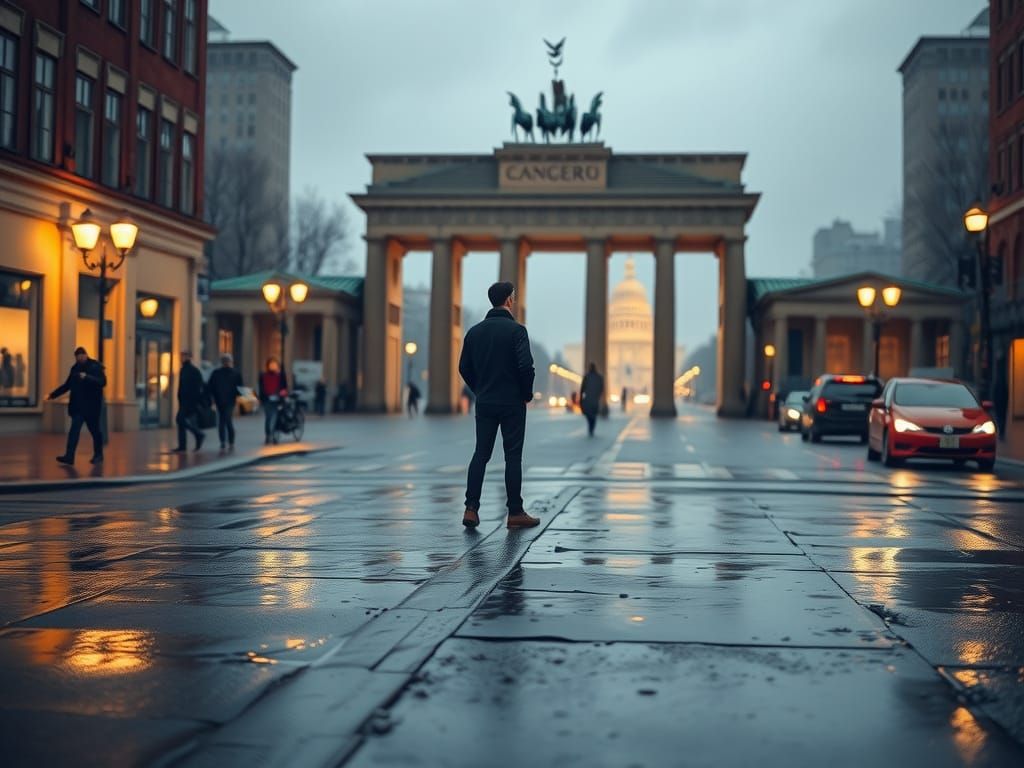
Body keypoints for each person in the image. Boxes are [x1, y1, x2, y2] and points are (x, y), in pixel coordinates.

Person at [458, 281, 539, 529]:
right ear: (509, 300)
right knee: (512, 457)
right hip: (512, 402)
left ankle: (471, 508)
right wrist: (526, 394)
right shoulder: (517, 331)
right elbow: (526, 367)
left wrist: (480, 390)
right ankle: (515, 511)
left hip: (485, 402)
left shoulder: (474, 332)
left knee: (480, 454)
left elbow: (464, 368)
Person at [47, 346, 106, 465]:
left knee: (95, 431)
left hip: (92, 407)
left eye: (81, 357)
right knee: (74, 430)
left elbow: (102, 382)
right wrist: (52, 395)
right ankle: (69, 456)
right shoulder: (75, 369)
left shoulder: (95, 366)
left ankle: (98, 455)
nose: (79, 359)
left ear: (85, 355)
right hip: (78, 407)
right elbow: (67, 385)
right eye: (77, 358)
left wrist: (87, 377)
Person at [208, 354, 243, 451]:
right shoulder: (217, 373)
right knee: (222, 422)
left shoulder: (234, 373)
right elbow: (211, 387)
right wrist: (212, 399)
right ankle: (224, 441)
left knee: (226, 420)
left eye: (228, 361)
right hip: (221, 400)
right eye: (225, 361)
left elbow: (239, 388)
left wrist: (238, 399)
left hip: (229, 401)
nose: (227, 363)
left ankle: (229, 441)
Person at [173, 351, 206, 452]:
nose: (181, 358)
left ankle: (198, 434)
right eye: (181, 356)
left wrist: (195, 400)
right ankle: (183, 445)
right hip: (184, 400)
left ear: (189, 357)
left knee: (180, 419)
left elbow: (199, 387)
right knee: (183, 422)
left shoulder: (194, 371)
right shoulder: (183, 369)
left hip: (190, 401)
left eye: (184, 356)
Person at [258, 357, 288, 444]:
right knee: (268, 418)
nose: (273, 366)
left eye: (274, 364)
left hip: (277, 399)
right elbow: (261, 388)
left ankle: (274, 435)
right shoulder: (263, 375)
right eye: (271, 364)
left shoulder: (281, 375)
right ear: (268, 366)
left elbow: (284, 387)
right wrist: (261, 398)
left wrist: (282, 394)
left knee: (275, 417)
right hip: (267, 399)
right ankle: (268, 435)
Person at [580, 362, 604, 437]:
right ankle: (591, 428)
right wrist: (598, 396)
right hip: (595, 399)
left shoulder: (586, 377)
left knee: (588, 415)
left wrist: (581, 398)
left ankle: (590, 428)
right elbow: (601, 388)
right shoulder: (599, 377)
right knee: (593, 415)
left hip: (588, 399)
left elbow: (582, 389)